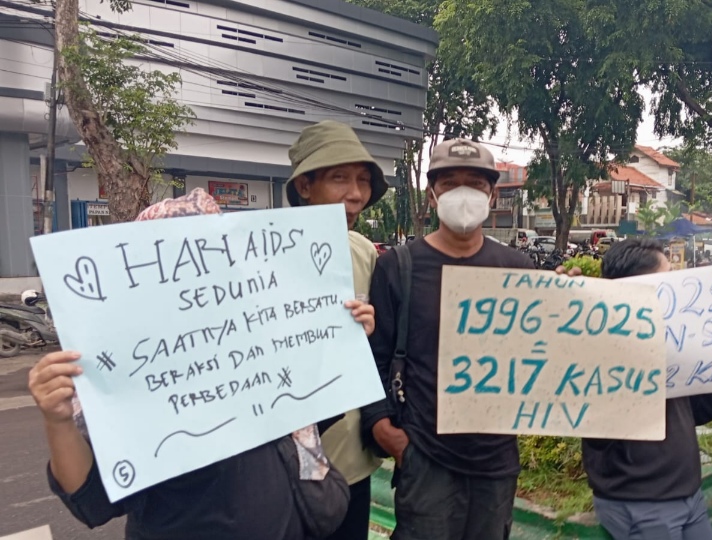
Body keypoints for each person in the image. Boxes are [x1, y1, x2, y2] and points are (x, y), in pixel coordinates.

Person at [29, 188, 375, 540]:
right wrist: (58, 421)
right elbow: (92, 499)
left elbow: (316, 409)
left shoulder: (260, 339)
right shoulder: (132, 368)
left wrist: (343, 338)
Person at [361, 138, 536, 540]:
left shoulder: (518, 269)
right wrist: (384, 429)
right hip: (425, 456)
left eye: (475, 183)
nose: (463, 192)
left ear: (492, 194)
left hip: (496, 458)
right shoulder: (398, 267)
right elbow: (372, 356)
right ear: (432, 193)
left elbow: (543, 352)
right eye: (450, 182)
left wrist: (570, 299)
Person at [583, 238, 712, 540]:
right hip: (641, 503)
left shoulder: (672, 337)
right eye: (668, 278)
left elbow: (693, 411)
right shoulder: (597, 347)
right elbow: (596, 430)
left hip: (689, 494)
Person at [285, 120, 389, 540]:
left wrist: (370, 332)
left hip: (347, 460)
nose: (356, 194)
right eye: (340, 178)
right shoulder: (255, 254)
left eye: (363, 180)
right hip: (278, 466)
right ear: (305, 186)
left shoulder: (364, 253)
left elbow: (384, 351)